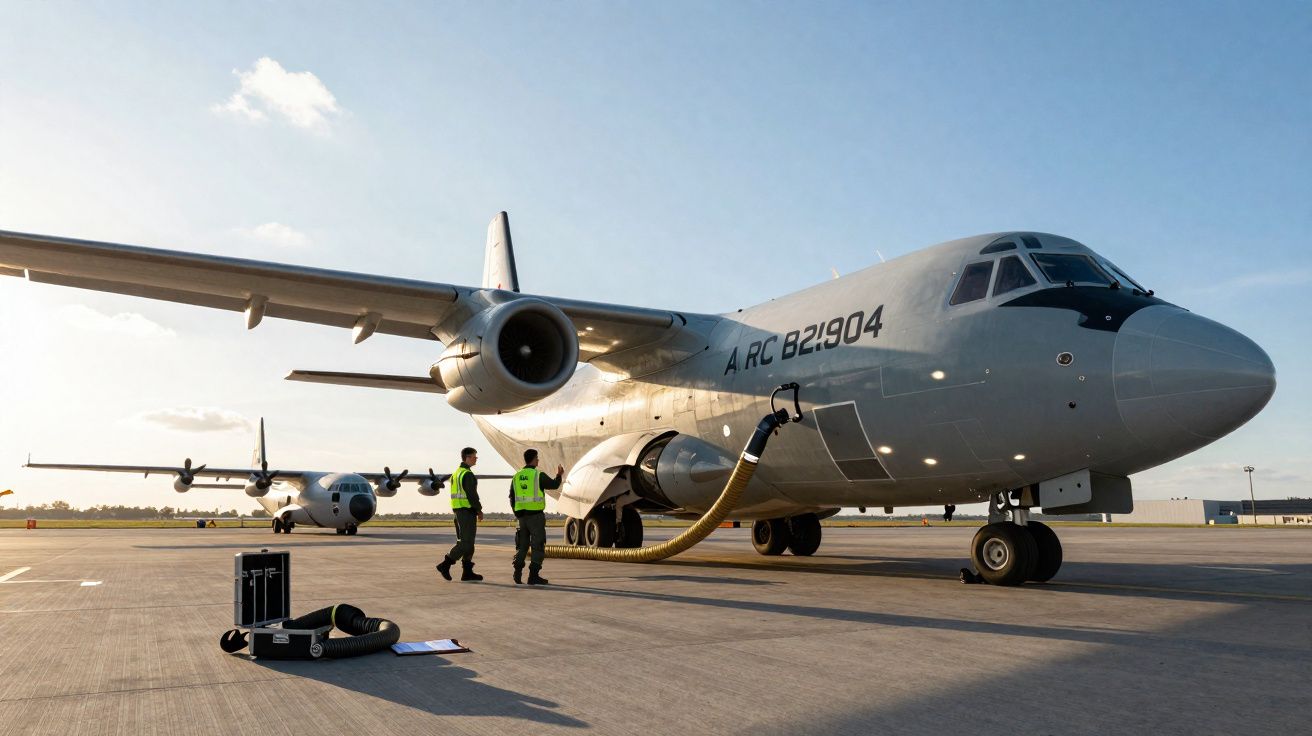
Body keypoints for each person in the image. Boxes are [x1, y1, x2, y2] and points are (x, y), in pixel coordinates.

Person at [509, 449, 563, 585]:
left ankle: (517, 573)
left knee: (522, 546)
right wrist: (559, 475)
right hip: (535, 517)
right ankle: (533, 575)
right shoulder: (538, 475)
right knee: (538, 545)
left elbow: (512, 497)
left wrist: (517, 512)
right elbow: (554, 485)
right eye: (537, 458)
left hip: (521, 517)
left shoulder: (516, 476)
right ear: (533, 459)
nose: (538, 460)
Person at [436, 447, 484, 582]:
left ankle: (467, 572)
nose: (476, 459)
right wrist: (479, 510)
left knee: (468, 543)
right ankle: (445, 564)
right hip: (466, 512)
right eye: (474, 456)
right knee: (466, 543)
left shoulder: (456, 473)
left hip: (458, 511)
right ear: (467, 457)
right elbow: (472, 495)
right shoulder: (467, 474)